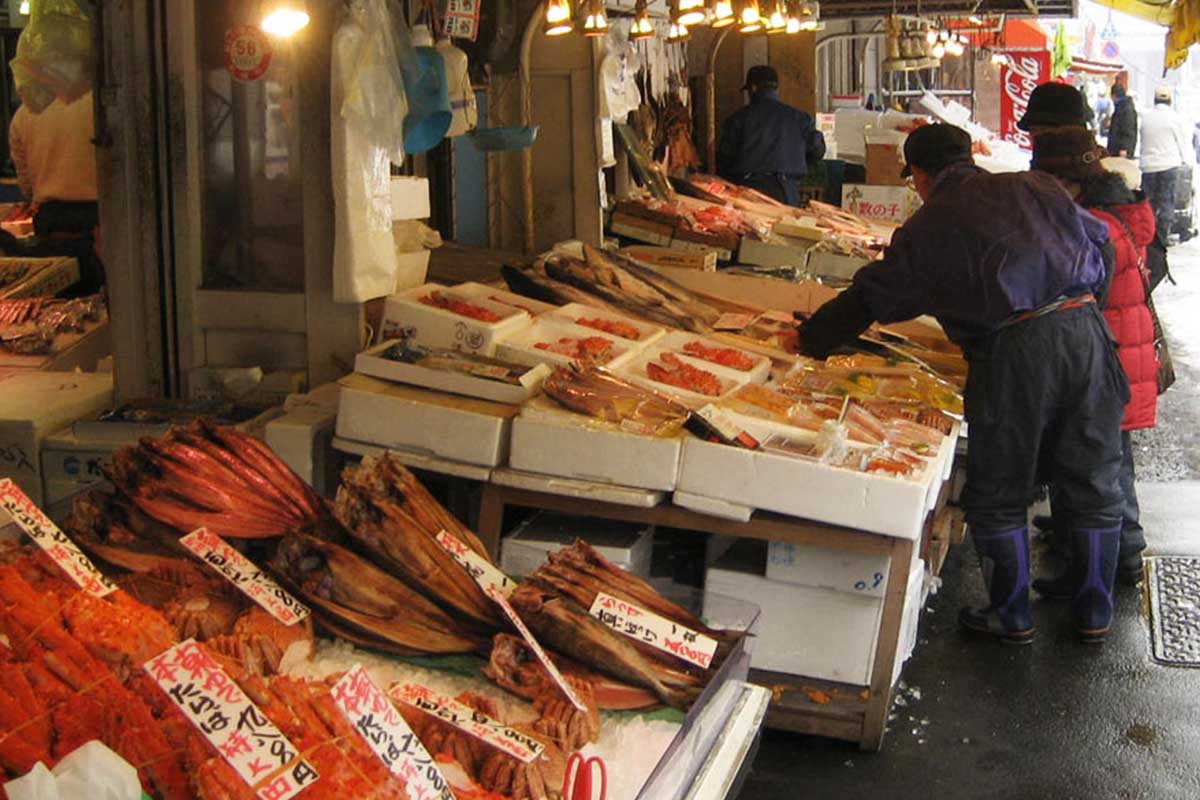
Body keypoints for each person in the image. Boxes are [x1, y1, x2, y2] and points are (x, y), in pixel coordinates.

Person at [797, 124, 1127, 645]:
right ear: (968, 157)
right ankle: (1094, 609)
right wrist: (1085, 311)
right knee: (1092, 472)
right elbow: (1102, 243)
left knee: (999, 486)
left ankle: (1012, 614)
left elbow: (873, 296)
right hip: (1087, 332)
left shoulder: (931, 224)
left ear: (922, 176)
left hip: (1015, 350)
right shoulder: (1033, 185)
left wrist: (811, 339)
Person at [1031, 127, 1157, 592]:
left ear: (1068, 181)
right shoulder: (1119, 213)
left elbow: (1078, 296)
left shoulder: (1095, 226)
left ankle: (1114, 559)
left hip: (1108, 357)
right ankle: (1114, 549)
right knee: (1109, 463)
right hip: (1124, 353)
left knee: (1098, 468)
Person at [8, 90, 102, 295]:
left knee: (61, 302)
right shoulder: (101, 104)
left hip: (52, 228)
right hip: (100, 225)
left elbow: (26, 185)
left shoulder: (24, 114)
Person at [716, 65, 825, 207]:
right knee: (785, 228)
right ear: (776, 89)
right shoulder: (800, 118)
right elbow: (817, 150)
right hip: (787, 191)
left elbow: (725, 158)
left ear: (753, 89)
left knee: (752, 228)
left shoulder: (738, 119)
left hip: (749, 191)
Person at [1139, 86, 1190, 242]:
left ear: (1155, 99)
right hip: (1168, 165)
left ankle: (1149, 235)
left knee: (1148, 202)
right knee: (1167, 200)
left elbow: (1142, 140)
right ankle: (1163, 236)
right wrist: (1186, 159)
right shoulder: (1175, 118)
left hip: (1148, 166)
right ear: (1170, 100)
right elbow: (1183, 142)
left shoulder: (1146, 118)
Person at [1107, 83, 1137, 158]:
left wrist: (1124, 148)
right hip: (1118, 148)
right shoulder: (1122, 107)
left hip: (1121, 151)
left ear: (1113, 96)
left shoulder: (1125, 108)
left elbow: (1128, 129)